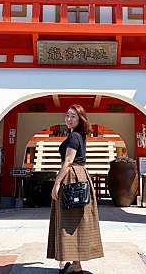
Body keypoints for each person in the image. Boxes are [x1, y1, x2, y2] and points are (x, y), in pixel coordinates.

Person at [47, 105, 104, 273]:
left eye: (73, 116)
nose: (69, 119)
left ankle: (72, 264)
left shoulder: (74, 137)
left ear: (80, 119)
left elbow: (68, 161)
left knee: (69, 221)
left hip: (71, 177)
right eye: (67, 115)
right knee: (74, 222)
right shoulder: (78, 136)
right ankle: (74, 264)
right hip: (78, 176)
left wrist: (57, 183)